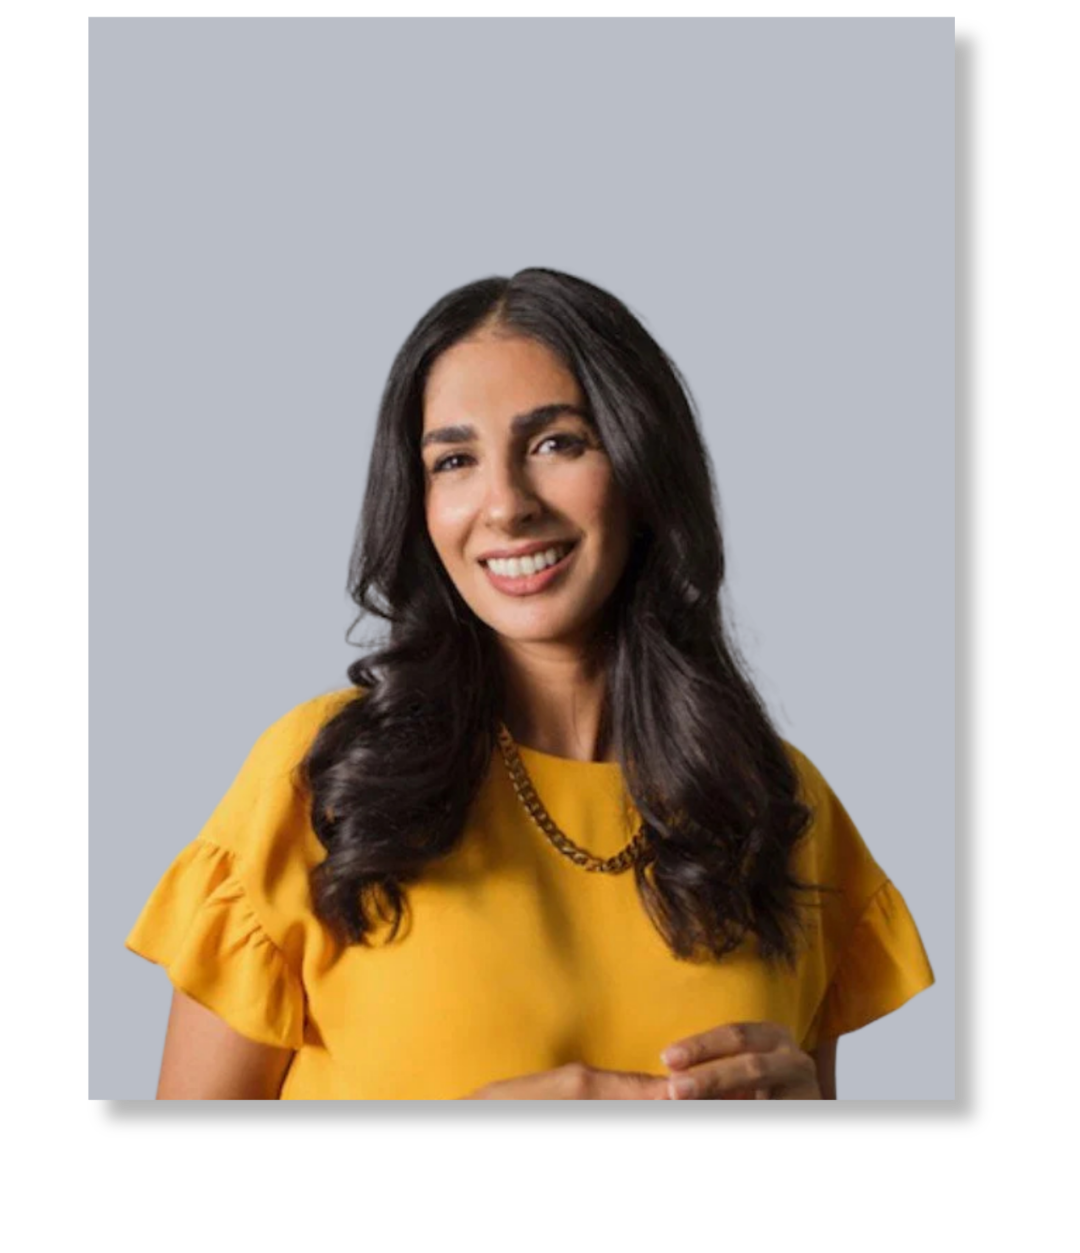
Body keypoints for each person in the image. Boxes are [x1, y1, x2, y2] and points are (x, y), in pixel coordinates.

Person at [126, 267, 935, 1101]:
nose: (505, 505)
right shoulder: (326, 781)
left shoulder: (778, 805)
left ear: (642, 464)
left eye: (557, 443)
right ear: (419, 501)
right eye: (454, 460)